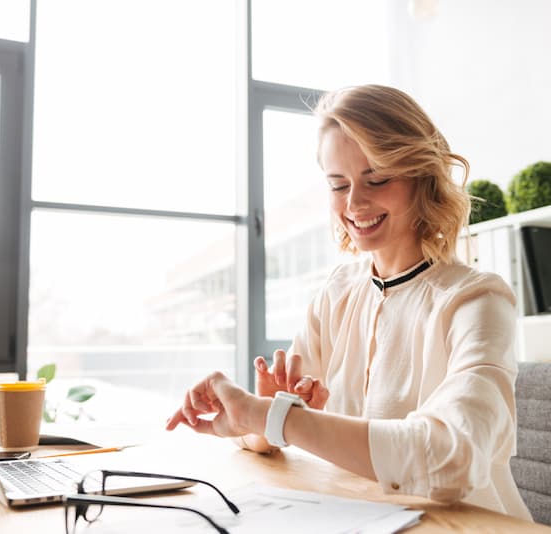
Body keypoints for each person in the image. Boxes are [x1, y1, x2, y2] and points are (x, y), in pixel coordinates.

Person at [166, 84, 532, 521]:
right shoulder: (339, 292)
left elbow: (451, 456)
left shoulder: (476, 300)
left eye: (376, 179)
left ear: (422, 177)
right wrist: (261, 420)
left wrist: (273, 417)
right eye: (338, 185)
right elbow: (274, 426)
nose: (355, 203)